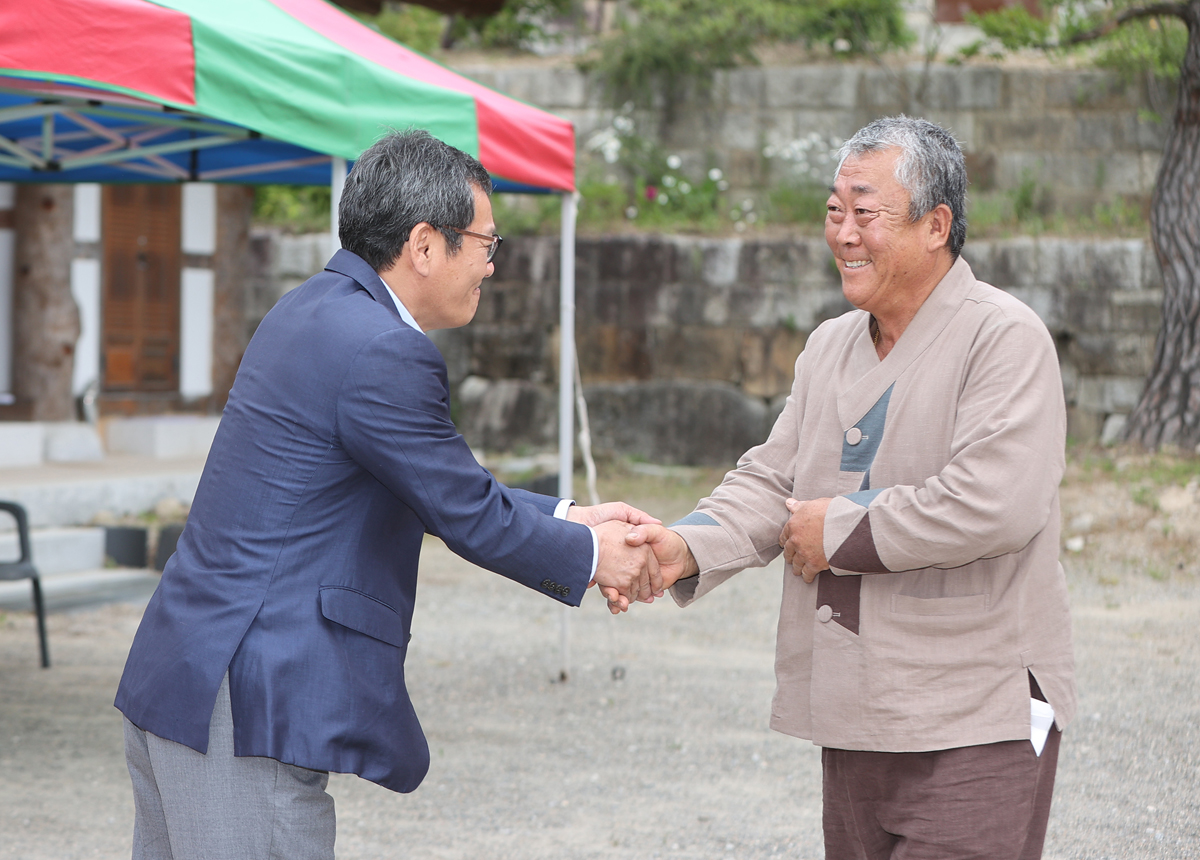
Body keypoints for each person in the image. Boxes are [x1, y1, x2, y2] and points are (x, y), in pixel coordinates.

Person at [115, 129, 661, 860]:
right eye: (487, 245)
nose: (491, 268)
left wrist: (572, 519)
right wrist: (599, 555)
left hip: (187, 673)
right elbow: (464, 511)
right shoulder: (383, 349)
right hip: (245, 702)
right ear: (426, 244)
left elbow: (438, 483)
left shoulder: (311, 308)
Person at [627, 116, 1075, 859]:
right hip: (859, 708)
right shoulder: (831, 344)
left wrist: (837, 529)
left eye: (865, 213)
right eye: (835, 211)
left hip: (975, 710)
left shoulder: (1003, 335)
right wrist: (682, 547)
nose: (843, 233)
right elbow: (774, 479)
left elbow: (996, 501)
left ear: (937, 225)